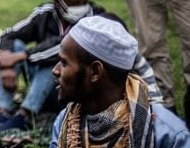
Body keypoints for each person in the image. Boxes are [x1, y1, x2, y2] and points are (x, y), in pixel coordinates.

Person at [50, 16, 189, 147]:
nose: (55, 70)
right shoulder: (65, 123)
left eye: (63, 63)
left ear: (95, 72)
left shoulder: (168, 134)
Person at [0, 0, 103, 130]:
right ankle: (2, 111)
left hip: (73, 87)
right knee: (15, 45)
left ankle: (25, 114)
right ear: (58, 2)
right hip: (41, 84)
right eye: (75, 3)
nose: (82, 7)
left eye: (84, 2)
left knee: (56, 61)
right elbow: (8, 35)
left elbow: (62, 47)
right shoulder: (46, 13)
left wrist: (22, 56)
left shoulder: (94, 18)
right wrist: (5, 66)